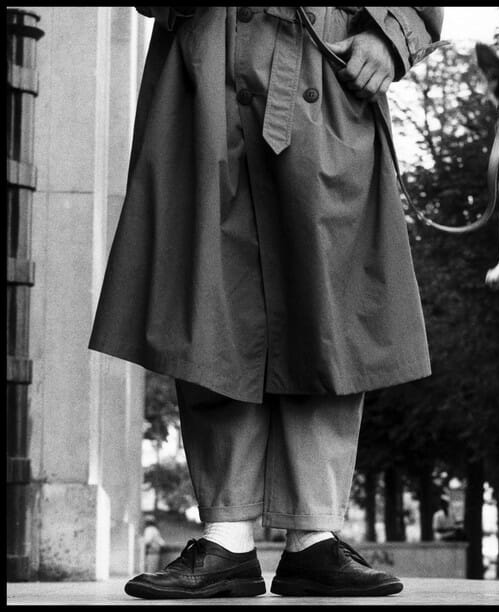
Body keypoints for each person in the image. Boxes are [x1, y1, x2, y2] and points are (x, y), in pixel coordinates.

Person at [89, 7, 444, 599]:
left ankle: (315, 537)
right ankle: (226, 535)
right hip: (204, 66)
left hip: (326, 65)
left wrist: (394, 32)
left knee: (329, 303)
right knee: (208, 299)